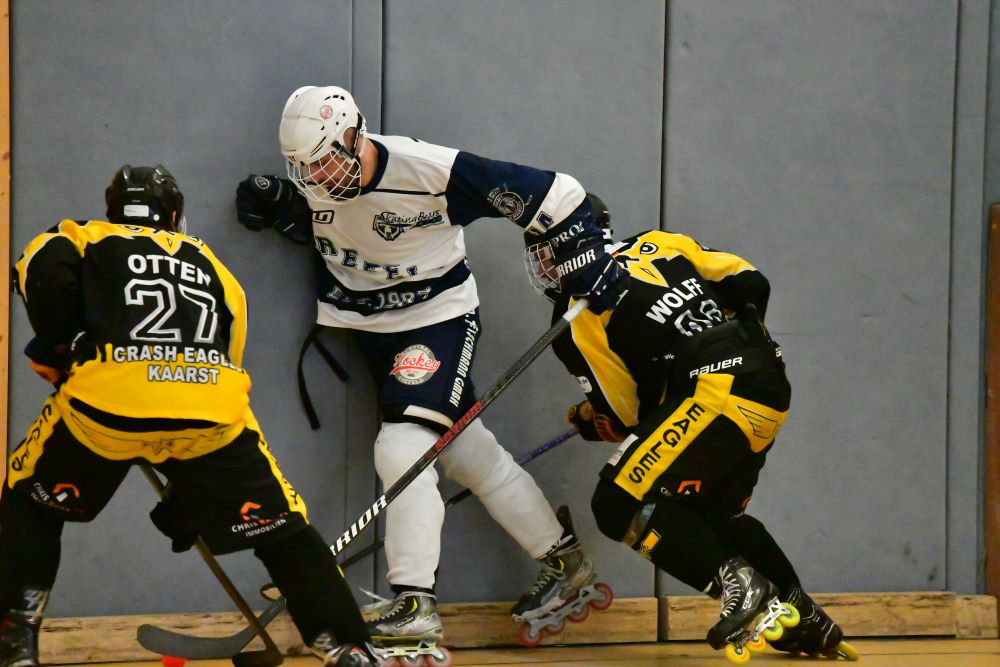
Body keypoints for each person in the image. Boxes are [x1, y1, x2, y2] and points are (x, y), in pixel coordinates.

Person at [234, 85, 629, 657]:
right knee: (470, 453)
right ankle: (562, 560)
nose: (317, 176)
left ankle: (414, 602)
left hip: (436, 320)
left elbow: (558, 192)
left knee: (403, 447)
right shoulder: (314, 184)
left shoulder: (430, 170)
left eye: (324, 158)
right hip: (369, 328)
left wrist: (585, 258)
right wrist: (279, 208)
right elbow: (327, 224)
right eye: (302, 168)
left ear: (354, 133)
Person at [0, 165, 380, 667]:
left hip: (105, 411)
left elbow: (38, 269)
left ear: (113, 208)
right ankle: (347, 645)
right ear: (175, 214)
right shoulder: (210, 261)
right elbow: (231, 346)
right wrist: (199, 488)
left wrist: (64, 343)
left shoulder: (83, 235)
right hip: (210, 415)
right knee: (285, 528)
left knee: (30, 503)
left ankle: (14, 637)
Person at [530, 194, 858, 662]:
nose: (546, 266)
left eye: (548, 251)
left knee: (617, 502)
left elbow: (626, 419)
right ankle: (802, 616)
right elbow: (751, 280)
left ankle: (741, 587)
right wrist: (718, 341)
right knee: (711, 511)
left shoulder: (575, 315)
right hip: (767, 377)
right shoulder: (657, 243)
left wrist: (590, 421)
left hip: (712, 393)